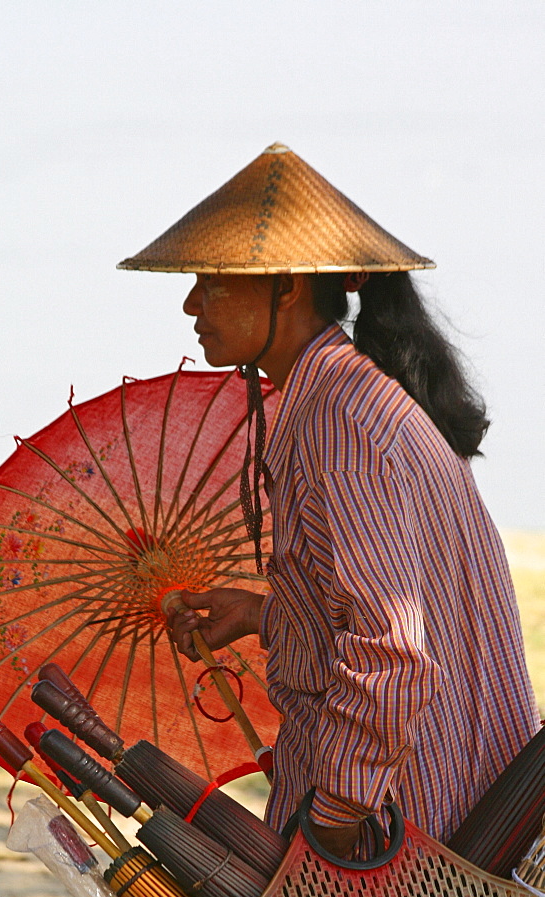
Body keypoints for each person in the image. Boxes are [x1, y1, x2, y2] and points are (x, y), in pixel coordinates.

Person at [118, 143, 540, 857]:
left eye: (213, 282)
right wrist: (262, 613)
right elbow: (386, 609)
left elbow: (391, 648)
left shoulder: (339, 419)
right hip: (434, 790)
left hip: (410, 819)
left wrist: (339, 809)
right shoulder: (345, 397)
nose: (192, 303)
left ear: (287, 289)